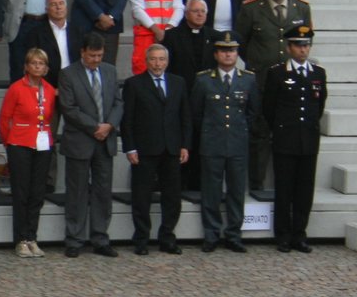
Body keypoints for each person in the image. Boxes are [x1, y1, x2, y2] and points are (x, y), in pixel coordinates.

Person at [236, 0, 312, 195]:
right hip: (261, 80)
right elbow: (242, 42)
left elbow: (305, 40)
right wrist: (257, 63)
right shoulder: (251, 9)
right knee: (259, 131)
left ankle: (284, 185)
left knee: (286, 132)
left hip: (290, 81)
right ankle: (256, 184)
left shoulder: (301, 8)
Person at [191, 32, 259, 253]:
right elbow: (197, 113)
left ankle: (233, 234)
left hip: (237, 143)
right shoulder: (203, 79)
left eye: (232, 50)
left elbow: (252, 112)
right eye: (223, 50)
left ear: (237, 54)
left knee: (236, 191)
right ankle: (211, 234)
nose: (228, 54)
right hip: (212, 142)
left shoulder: (248, 79)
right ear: (216, 54)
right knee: (210, 191)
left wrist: (240, 131)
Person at [120, 44, 191, 255]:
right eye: (153, 59)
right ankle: (141, 239)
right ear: (146, 60)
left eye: (161, 59)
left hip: (171, 148)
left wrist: (185, 145)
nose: (157, 63)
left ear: (167, 61)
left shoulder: (178, 83)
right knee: (141, 197)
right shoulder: (134, 84)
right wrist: (130, 147)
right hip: (144, 149)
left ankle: (167, 237)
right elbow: (127, 120)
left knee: (172, 197)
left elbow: (185, 116)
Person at [57, 33, 122, 258]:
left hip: (106, 141)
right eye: (92, 55)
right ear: (82, 52)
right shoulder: (68, 74)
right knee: (77, 191)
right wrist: (95, 127)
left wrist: (110, 125)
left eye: (100, 55)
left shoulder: (110, 71)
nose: (96, 59)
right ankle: (74, 238)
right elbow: (69, 108)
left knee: (103, 191)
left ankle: (100, 237)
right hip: (80, 140)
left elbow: (118, 102)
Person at [263, 26, 326, 254]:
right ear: (289, 47)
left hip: (308, 139)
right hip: (285, 139)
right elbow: (269, 108)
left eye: (306, 44)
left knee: (304, 191)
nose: (303, 49)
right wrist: (280, 129)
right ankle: (283, 235)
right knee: (284, 189)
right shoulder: (277, 73)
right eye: (299, 45)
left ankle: (300, 234)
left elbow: (318, 106)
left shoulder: (318, 73)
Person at [0, 48, 55, 258]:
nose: (37, 67)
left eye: (41, 63)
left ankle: (32, 237)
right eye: (34, 63)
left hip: (42, 144)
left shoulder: (49, 90)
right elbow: (4, 119)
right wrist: (9, 142)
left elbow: (48, 117)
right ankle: (21, 239)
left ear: (46, 68)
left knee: (37, 193)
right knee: (21, 193)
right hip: (20, 144)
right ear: (26, 66)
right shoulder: (16, 88)